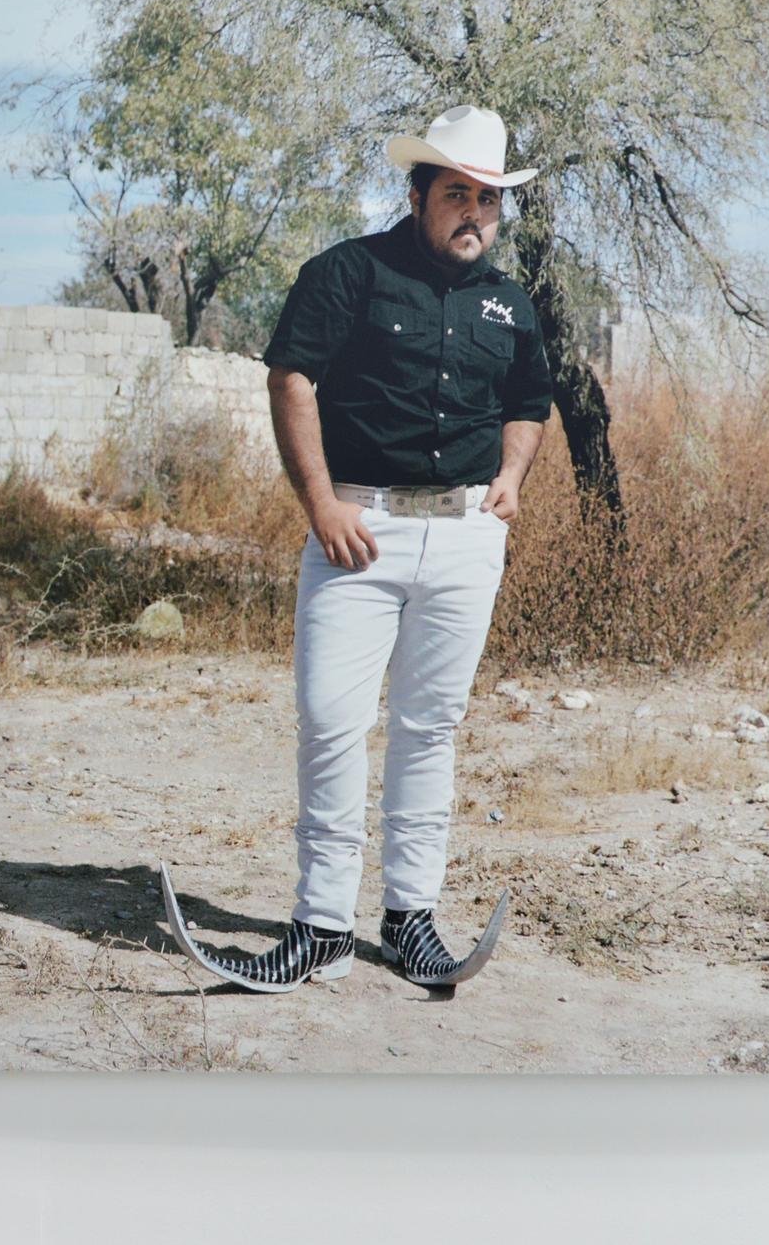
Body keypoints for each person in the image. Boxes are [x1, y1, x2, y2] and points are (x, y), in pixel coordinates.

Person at [161, 105, 552, 992]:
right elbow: (291, 376)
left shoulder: (510, 302)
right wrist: (319, 503)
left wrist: (513, 478)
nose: (474, 216)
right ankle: (322, 926)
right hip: (358, 533)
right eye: (457, 194)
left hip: (465, 541)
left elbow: (531, 400)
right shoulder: (348, 274)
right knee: (334, 722)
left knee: (429, 730)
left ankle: (411, 917)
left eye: (488, 200)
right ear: (417, 193)